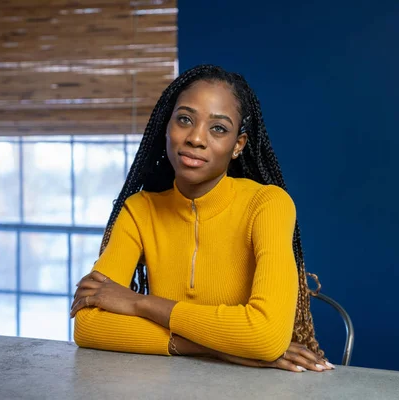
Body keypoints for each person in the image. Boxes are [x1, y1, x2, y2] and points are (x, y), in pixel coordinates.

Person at [70, 64, 333, 373]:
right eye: (184, 119)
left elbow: (265, 336)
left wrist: (137, 303)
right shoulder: (139, 210)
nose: (196, 138)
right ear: (166, 127)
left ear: (238, 145)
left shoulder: (269, 204)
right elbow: (88, 326)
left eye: (218, 128)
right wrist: (223, 349)